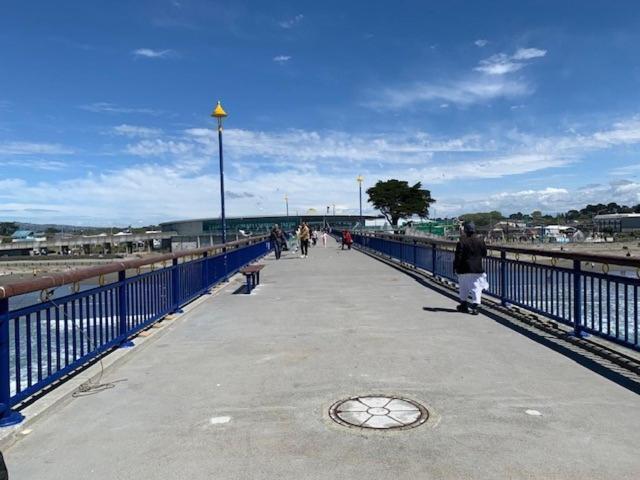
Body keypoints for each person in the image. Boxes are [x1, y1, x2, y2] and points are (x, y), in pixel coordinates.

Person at [453, 221, 489, 315]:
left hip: (464, 268)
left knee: (463, 287)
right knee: (476, 288)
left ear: (465, 230)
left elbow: (458, 257)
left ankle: (463, 305)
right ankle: (475, 306)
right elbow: (484, 253)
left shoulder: (461, 242)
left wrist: (455, 267)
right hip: (477, 268)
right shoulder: (480, 241)